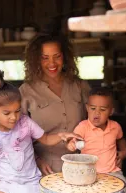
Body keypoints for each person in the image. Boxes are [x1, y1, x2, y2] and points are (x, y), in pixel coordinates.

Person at [0, 70, 82, 193]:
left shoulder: (26, 123)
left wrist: (62, 135)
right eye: (7, 113)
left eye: (17, 111)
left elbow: (46, 139)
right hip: (6, 186)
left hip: (32, 183)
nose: (14, 117)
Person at [19, 32, 91, 174]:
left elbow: (96, 122)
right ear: (36, 60)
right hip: (45, 168)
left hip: (82, 162)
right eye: (45, 58)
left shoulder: (80, 86)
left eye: (56, 56)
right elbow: (18, 135)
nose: (52, 63)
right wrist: (36, 160)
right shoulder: (26, 91)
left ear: (64, 56)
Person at [67, 87, 126, 193]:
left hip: (113, 172)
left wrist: (124, 152)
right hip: (88, 173)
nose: (97, 113)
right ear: (87, 108)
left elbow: (121, 140)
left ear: (111, 111)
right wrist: (71, 145)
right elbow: (72, 141)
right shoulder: (83, 127)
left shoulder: (115, 127)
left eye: (102, 109)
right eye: (93, 108)